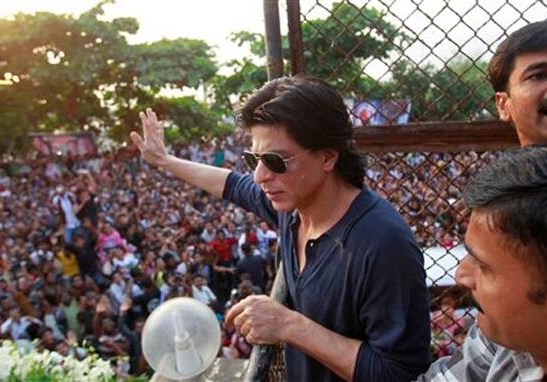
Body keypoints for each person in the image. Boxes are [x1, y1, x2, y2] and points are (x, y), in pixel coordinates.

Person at [131, 75, 430, 381]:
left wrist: (289, 325)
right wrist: (164, 161)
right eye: (254, 159)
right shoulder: (294, 208)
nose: (261, 176)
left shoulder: (382, 244)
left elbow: (398, 372)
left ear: (327, 157)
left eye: (275, 160)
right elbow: (232, 184)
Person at [418, 21, 547, 381]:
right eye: (539, 75)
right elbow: (472, 366)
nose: (463, 275)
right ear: (503, 104)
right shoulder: (498, 207)